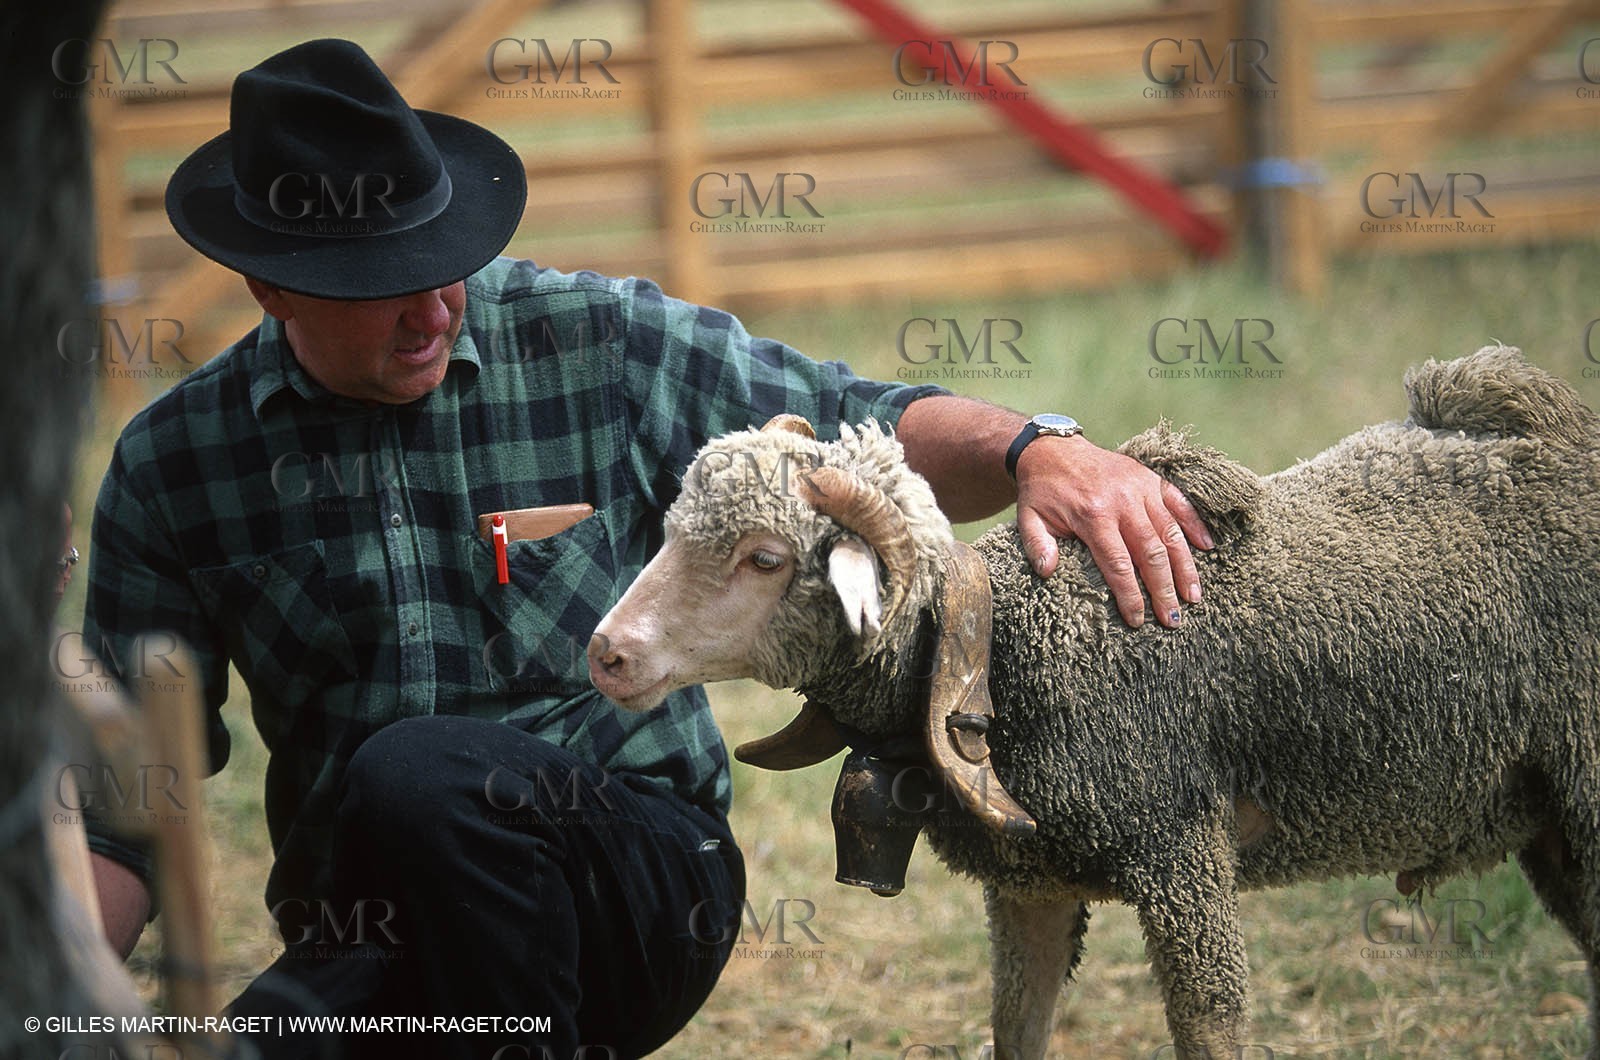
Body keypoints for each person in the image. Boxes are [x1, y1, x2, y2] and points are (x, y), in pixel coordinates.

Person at [82, 38, 1210, 1060]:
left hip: (633, 879)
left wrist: (1032, 449)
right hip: (378, 928)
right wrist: (58, 999)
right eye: (382, 286)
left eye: (446, 263)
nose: (433, 309)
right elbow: (124, 806)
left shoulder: (595, 343)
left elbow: (848, 417)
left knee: (418, 771)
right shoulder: (172, 467)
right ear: (269, 284)